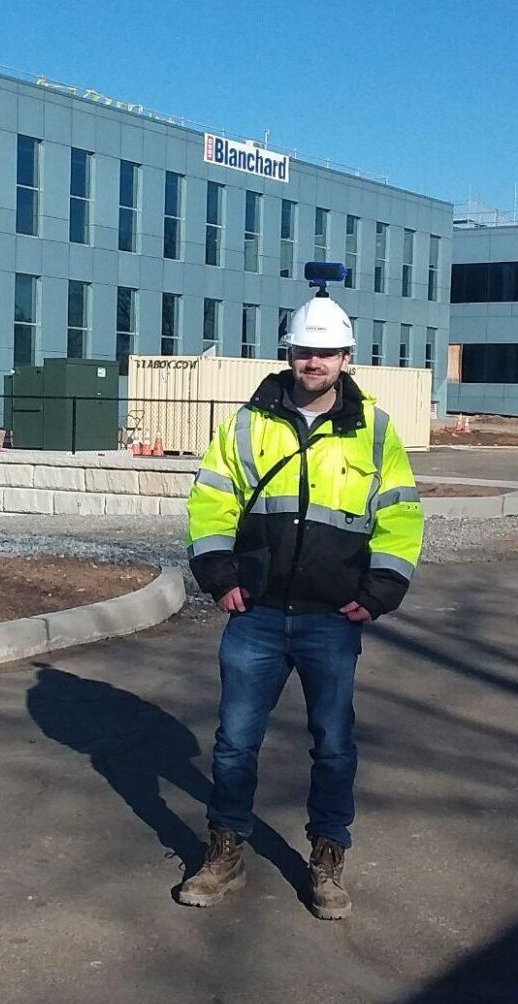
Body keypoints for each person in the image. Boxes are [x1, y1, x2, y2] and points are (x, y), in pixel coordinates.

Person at [180, 290, 424, 919]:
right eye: (303, 351)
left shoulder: (374, 429)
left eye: (325, 352)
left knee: (335, 744)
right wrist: (217, 571)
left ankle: (327, 858)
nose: (313, 361)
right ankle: (225, 851)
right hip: (255, 613)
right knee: (235, 741)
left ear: (346, 357)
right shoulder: (248, 421)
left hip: (331, 618)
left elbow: (399, 514)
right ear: (289, 353)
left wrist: (380, 591)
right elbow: (212, 500)